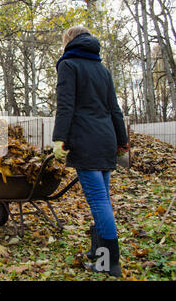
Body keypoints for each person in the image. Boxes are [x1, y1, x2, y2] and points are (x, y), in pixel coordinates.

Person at [52, 26, 129, 278]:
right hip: (105, 139)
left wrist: (59, 139)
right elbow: (115, 109)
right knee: (102, 200)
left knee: (98, 200)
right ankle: (98, 252)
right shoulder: (102, 70)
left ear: (69, 41)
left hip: (85, 141)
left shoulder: (69, 65)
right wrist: (122, 141)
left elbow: (65, 106)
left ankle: (109, 263)